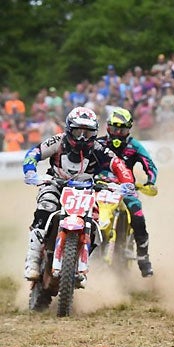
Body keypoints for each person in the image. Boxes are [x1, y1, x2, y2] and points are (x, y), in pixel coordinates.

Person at [22, 107, 135, 283]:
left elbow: (118, 164)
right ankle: (33, 260)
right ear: (69, 129)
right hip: (56, 185)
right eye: (78, 131)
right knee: (45, 208)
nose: (82, 137)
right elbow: (34, 153)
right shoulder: (58, 142)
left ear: (95, 133)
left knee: (99, 222)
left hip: (86, 191)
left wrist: (127, 182)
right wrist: (31, 172)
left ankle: (81, 264)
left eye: (88, 133)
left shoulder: (99, 149)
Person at [97, 107, 158, 277]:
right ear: (108, 128)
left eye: (122, 130)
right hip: (101, 186)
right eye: (114, 129)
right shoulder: (98, 144)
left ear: (128, 130)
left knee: (137, 215)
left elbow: (150, 165)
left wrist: (150, 181)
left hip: (126, 189)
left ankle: (143, 257)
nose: (117, 134)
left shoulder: (134, 146)